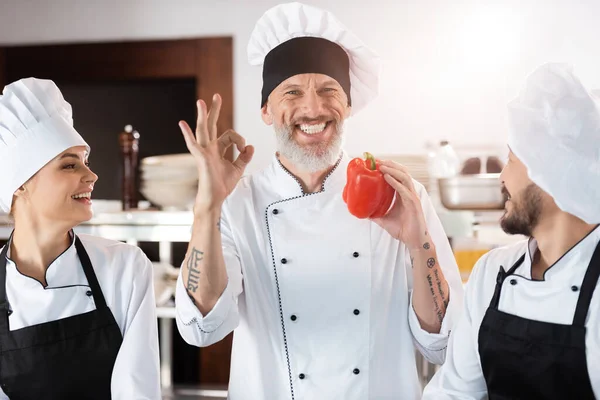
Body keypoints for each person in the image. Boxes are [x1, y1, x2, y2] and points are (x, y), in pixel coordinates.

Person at [175, 2, 463, 399]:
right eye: (292, 91)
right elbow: (201, 328)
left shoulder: (399, 195)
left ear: (347, 105)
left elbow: (443, 343)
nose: (313, 108)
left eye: (329, 90)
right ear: (266, 110)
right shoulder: (237, 204)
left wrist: (418, 243)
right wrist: (208, 206)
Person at [422, 62, 600, 399]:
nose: (502, 177)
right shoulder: (492, 271)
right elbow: (453, 393)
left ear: (549, 172)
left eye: (511, 160)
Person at [0, 78, 161, 399]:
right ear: (20, 183)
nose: (92, 175)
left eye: (85, 162)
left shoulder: (124, 266)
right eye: (70, 165)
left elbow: (138, 389)